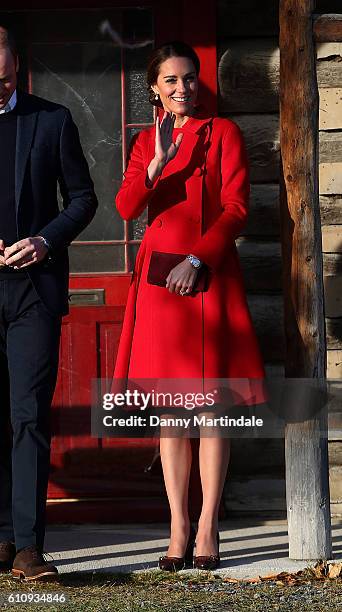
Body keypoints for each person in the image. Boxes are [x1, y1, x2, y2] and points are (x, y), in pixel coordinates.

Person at [113, 41, 265, 570]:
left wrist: (199, 260)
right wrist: (155, 162)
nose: (183, 88)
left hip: (208, 277)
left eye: (189, 79)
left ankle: (208, 528)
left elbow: (237, 207)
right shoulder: (143, 142)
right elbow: (127, 206)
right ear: (154, 88)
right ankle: (177, 527)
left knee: (210, 411)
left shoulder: (222, 132)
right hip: (158, 284)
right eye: (171, 81)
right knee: (172, 412)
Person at [0, 25, 98, 580]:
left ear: (17, 66)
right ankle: (1, 536)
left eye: (3, 78)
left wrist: (44, 240)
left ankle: (29, 546)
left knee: (28, 415)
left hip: (34, 292)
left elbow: (84, 199)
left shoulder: (52, 119)